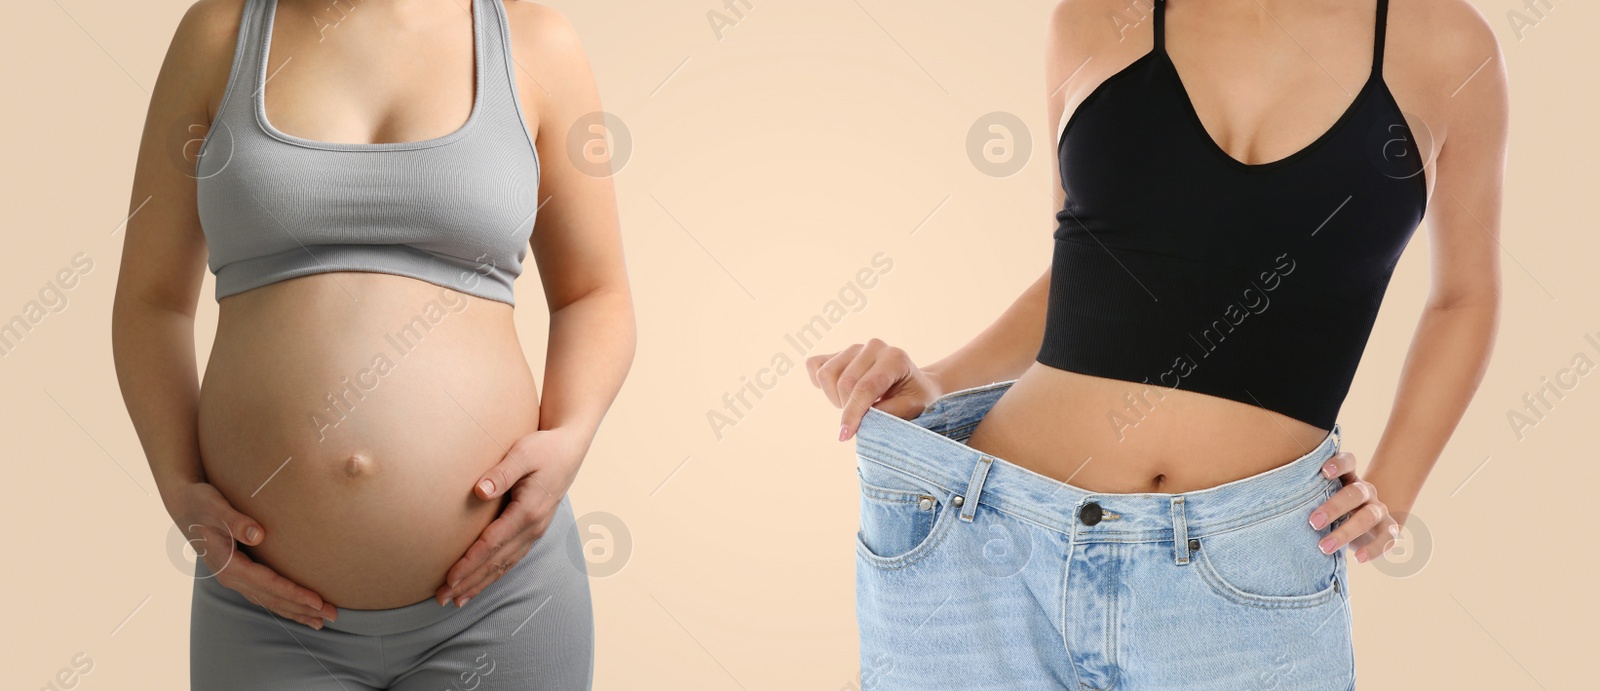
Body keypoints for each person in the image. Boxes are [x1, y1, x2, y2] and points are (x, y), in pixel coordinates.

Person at [807, 0, 1505, 688]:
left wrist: (1395, 489)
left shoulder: (1443, 43)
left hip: (1247, 575)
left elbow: (1464, 296)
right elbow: (1087, 266)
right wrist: (938, 379)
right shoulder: (1095, 17)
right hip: (988, 544)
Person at [113, 0, 633, 688]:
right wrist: (177, 485)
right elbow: (151, 303)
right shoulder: (219, 34)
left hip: (502, 600)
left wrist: (567, 441)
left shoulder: (535, 41)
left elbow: (595, 293)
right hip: (264, 612)